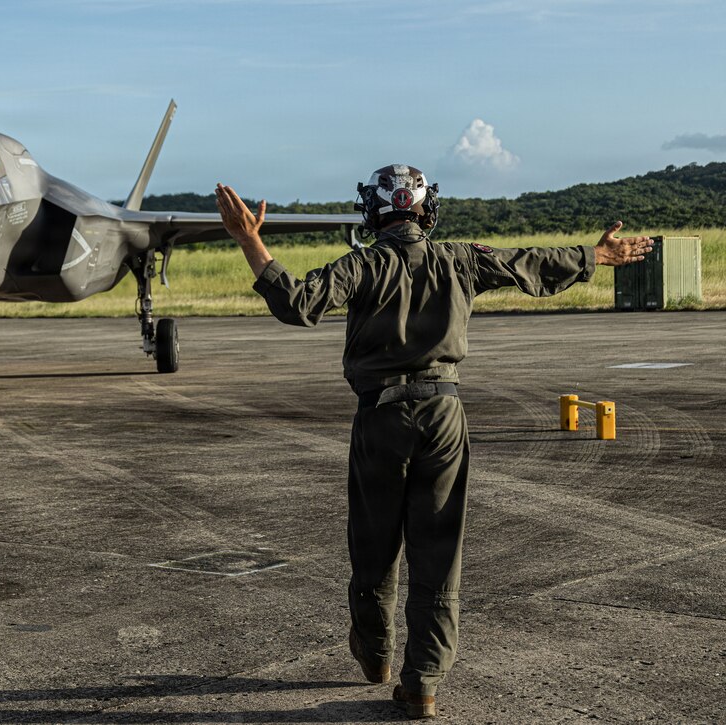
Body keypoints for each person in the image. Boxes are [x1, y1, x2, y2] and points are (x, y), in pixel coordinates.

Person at [214, 167, 653, 719]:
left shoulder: (362, 264)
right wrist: (596, 256)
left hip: (380, 417)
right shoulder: (461, 258)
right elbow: (529, 262)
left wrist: (249, 239)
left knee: (373, 545)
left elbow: (299, 302)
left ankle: (374, 657)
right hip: (445, 415)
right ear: (426, 209)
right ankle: (423, 681)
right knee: (438, 551)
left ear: (375, 211)